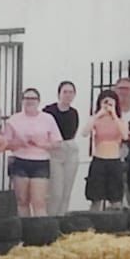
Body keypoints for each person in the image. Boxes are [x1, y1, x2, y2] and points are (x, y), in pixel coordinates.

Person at [0, 87, 63, 218]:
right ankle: (25, 231)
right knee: (22, 201)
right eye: (27, 98)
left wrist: (42, 144)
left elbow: (57, 143)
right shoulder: (13, 120)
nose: (30, 101)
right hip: (20, 161)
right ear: (22, 101)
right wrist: (19, 143)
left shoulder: (48, 119)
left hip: (41, 162)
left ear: (38, 101)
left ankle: (41, 232)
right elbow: (5, 143)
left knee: (39, 202)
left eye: (33, 99)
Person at [86, 90, 128, 211]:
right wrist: (99, 114)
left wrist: (114, 114)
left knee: (115, 199)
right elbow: (84, 132)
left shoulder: (120, 120)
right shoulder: (96, 119)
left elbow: (125, 135)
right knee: (95, 198)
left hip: (114, 160)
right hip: (99, 159)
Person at [46, 82, 81, 216]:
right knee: (56, 192)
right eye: (65, 92)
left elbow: (73, 131)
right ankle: (52, 218)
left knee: (67, 191)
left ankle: (62, 217)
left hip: (70, 149)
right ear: (59, 93)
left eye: (71, 92)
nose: (68, 95)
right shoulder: (49, 111)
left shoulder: (74, 113)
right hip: (55, 150)